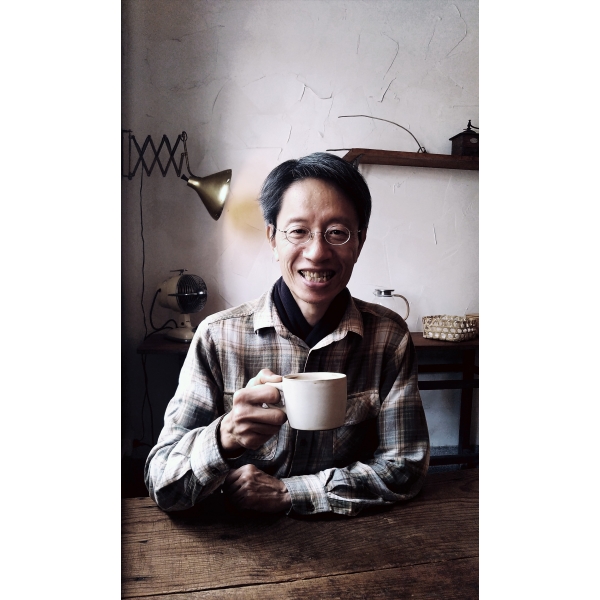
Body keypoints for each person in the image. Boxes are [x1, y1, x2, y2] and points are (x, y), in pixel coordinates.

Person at [145, 152, 430, 517]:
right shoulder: (218, 338)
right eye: (298, 231)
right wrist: (225, 436)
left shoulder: (388, 338)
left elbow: (405, 467)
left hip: (354, 538)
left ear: (359, 242)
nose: (317, 252)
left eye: (337, 233)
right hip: (240, 539)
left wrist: (290, 493)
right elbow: (161, 482)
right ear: (272, 238)